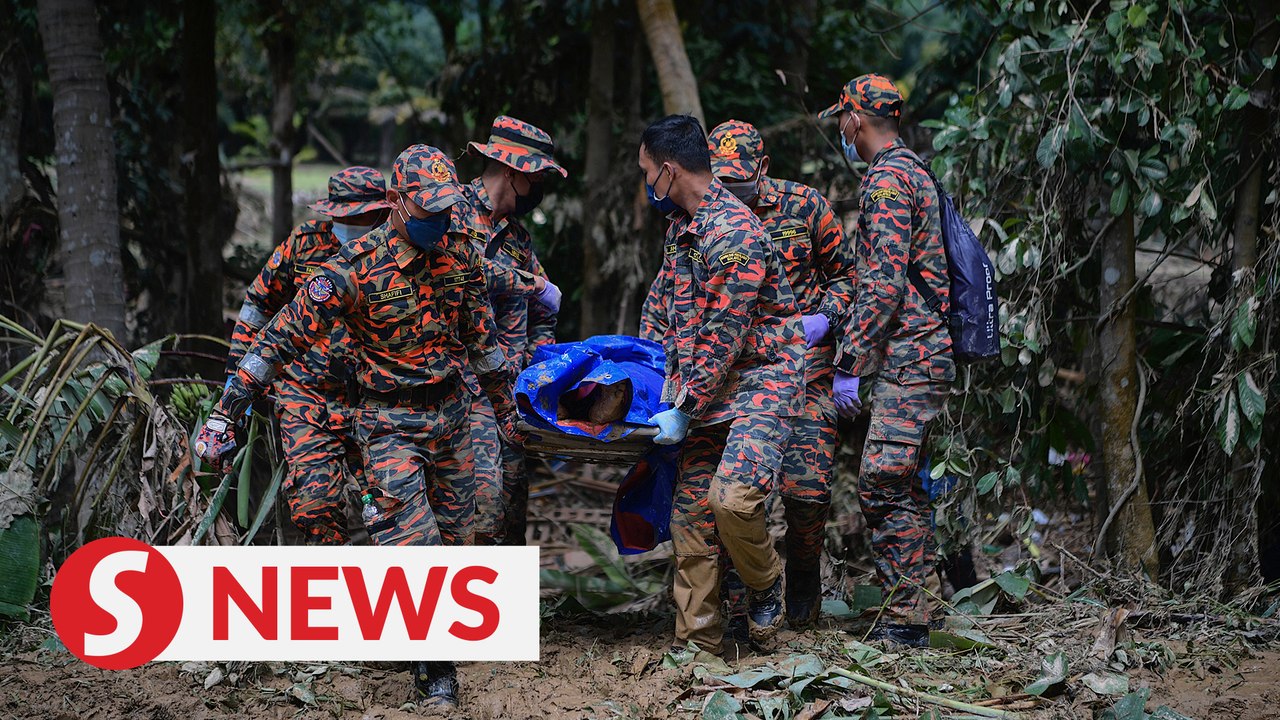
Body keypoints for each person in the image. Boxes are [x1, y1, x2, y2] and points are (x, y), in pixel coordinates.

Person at [195, 144, 517, 707]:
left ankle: (414, 636)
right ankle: (435, 674)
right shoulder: (349, 270)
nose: (439, 223)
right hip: (389, 421)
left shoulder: (460, 255)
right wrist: (230, 405)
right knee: (413, 547)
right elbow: (276, 339)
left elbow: (481, 340)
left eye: (446, 211)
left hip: (453, 418)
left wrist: (506, 410)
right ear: (396, 203)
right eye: (427, 212)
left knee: (455, 540)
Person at [637, 114, 806, 654]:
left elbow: (723, 332)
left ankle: (764, 582)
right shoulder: (680, 229)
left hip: (761, 383)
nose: (645, 185)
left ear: (668, 170)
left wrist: (682, 406)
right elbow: (661, 306)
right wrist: (645, 379)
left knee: (731, 500)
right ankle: (698, 649)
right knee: (690, 518)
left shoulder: (733, 232)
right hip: (705, 394)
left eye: (646, 173)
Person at [819, 74, 955, 647]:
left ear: (855, 120)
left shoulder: (889, 182)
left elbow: (881, 283)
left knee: (879, 483)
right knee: (904, 486)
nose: (842, 131)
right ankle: (923, 608)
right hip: (919, 352)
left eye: (842, 121)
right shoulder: (912, 170)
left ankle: (908, 620)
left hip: (912, 354)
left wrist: (850, 361)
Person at [705, 119, 857, 629]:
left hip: (808, 374)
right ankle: (740, 606)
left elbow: (848, 277)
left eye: (739, 182)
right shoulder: (702, 219)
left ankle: (804, 591)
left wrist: (826, 320)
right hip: (738, 380)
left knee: (807, 493)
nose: (731, 194)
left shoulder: (805, 207)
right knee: (735, 496)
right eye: (720, 182)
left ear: (762, 169)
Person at [225, 166, 391, 546]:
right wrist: (240, 377)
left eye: (357, 218)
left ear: (380, 214)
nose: (346, 225)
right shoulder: (305, 245)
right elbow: (258, 304)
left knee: (392, 509)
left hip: (376, 398)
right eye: (340, 217)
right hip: (307, 394)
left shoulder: (396, 254)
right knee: (315, 506)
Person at [461, 116, 566, 546]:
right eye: (537, 177)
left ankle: (505, 609)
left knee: (510, 506)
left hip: (509, 396)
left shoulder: (517, 239)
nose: (539, 187)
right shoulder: (450, 212)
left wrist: (538, 362)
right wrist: (532, 284)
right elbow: (466, 272)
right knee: (478, 511)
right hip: (458, 392)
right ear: (512, 171)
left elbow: (545, 308)